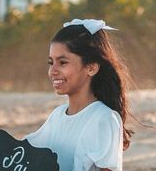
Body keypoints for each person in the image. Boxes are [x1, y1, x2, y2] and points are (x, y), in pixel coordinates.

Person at [24, 18, 133, 171]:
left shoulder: (103, 118)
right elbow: (26, 156)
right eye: (51, 63)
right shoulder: (57, 116)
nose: (52, 71)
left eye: (62, 63)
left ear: (91, 68)